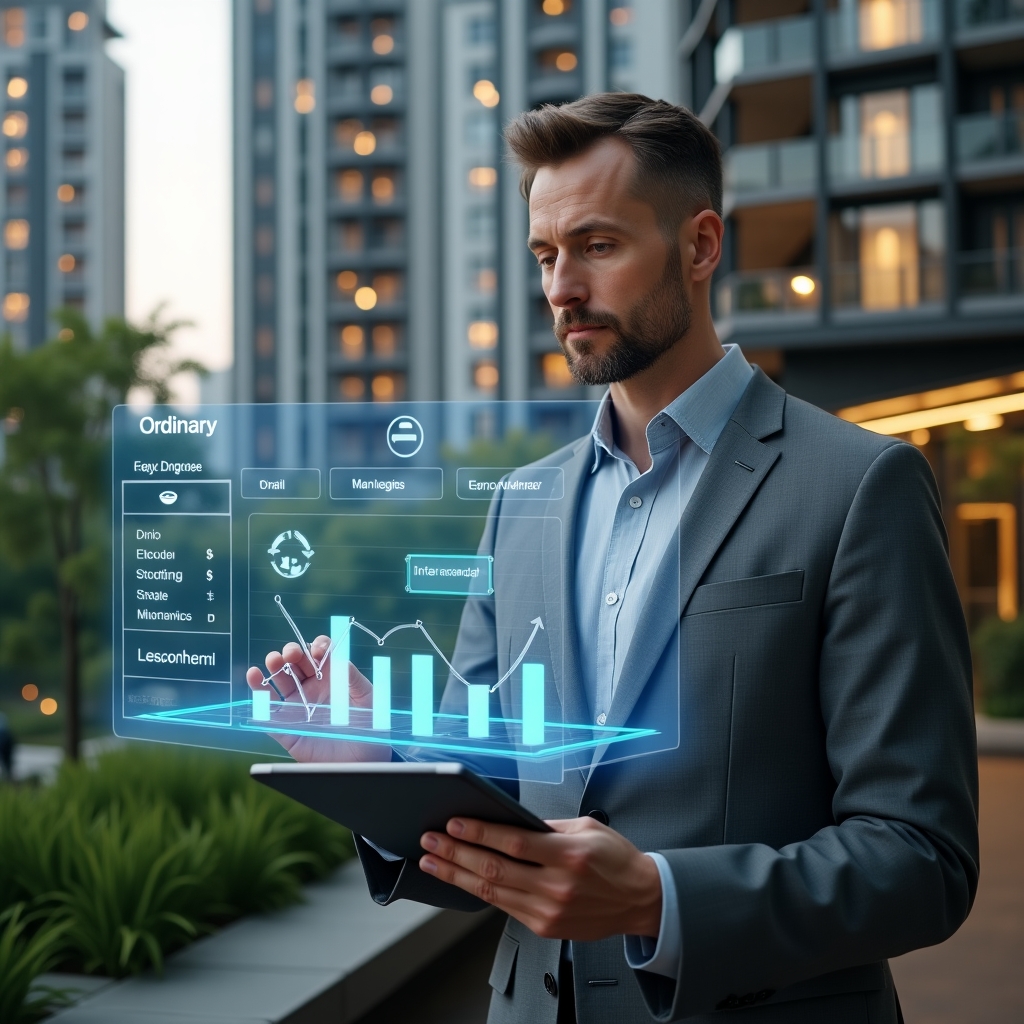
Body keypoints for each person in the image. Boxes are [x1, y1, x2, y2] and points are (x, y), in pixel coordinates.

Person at [248, 94, 978, 1024]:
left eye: (596, 246)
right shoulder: (521, 504)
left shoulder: (861, 484)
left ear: (701, 246)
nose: (560, 289)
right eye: (546, 256)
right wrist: (379, 766)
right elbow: (500, 795)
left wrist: (656, 899)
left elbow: (923, 859)